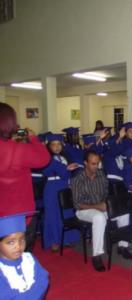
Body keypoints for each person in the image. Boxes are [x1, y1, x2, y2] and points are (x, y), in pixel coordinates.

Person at [71, 150, 132, 272]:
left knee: (123, 213)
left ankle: (122, 246)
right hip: (83, 210)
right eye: (93, 164)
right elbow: (77, 204)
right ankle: (97, 255)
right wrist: (98, 206)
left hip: (100, 208)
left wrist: (108, 204)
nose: (96, 166)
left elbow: (105, 194)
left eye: (98, 163)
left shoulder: (101, 175)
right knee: (99, 217)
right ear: (85, 163)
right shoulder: (78, 179)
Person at [0, 103, 50, 250]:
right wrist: (33, 138)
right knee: (21, 259)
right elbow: (44, 158)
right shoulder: (18, 150)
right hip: (21, 216)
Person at [42, 134, 80, 251]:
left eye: (59, 144)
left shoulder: (64, 158)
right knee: (53, 214)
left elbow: (66, 174)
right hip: (52, 187)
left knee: (66, 212)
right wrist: (65, 169)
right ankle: (54, 240)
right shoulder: (46, 159)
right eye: (53, 145)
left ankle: (67, 238)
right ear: (49, 147)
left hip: (64, 185)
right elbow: (49, 170)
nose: (57, 147)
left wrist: (68, 171)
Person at [0, 212, 49, 299]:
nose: (18, 246)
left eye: (22, 240)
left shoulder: (29, 258)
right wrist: (34, 294)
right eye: (11, 242)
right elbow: (7, 296)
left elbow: (43, 278)